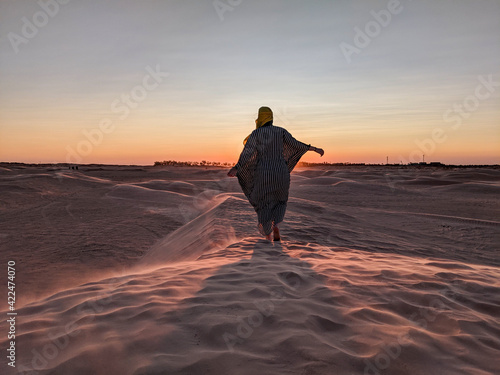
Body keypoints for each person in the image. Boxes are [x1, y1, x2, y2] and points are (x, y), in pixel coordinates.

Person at [227, 106, 324, 241]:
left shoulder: (256, 134)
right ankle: (276, 224)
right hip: (281, 173)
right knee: (280, 201)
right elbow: (295, 144)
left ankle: (268, 234)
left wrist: (237, 168)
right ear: (271, 117)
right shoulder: (281, 131)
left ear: (260, 118)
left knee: (263, 202)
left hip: (263, 174)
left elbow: (247, 153)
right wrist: (313, 148)